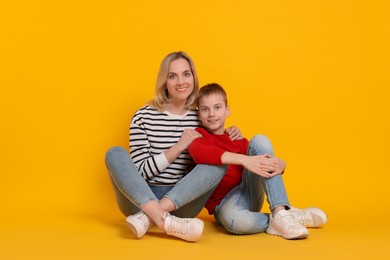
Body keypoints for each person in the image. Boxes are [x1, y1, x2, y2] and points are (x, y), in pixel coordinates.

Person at [105, 52, 242, 242]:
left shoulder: (201, 116)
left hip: (181, 203)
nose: (181, 82)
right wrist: (178, 147)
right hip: (138, 201)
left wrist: (231, 132)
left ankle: (149, 219)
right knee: (115, 153)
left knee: (216, 162)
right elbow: (139, 173)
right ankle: (162, 220)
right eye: (172, 76)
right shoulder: (143, 117)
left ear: (193, 78)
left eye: (186, 74)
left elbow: (217, 148)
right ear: (164, 81)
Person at [188, 83, 328, 240]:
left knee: (260, 140)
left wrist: (282, 165)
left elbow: (261, 160)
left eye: (217, 107)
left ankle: (279, 210)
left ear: (227, 111)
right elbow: (200, 154)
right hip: (225, 205)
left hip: (250, 191)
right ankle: (283, 217)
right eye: (205, 109)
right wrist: (243, 160)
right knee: (235, 221)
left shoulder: (237, 140)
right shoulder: (198, 135)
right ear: (199, 114)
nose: (212, 114)